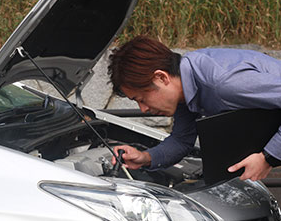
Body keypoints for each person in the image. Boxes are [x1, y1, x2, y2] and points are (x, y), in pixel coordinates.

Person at [108, 35, 281, 181]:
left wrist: (266, 158)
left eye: (142, 99)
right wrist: (145, 158)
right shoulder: (185, 85)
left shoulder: (223, 83)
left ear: (161, 77)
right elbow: (181, 140)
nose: (143, 109)